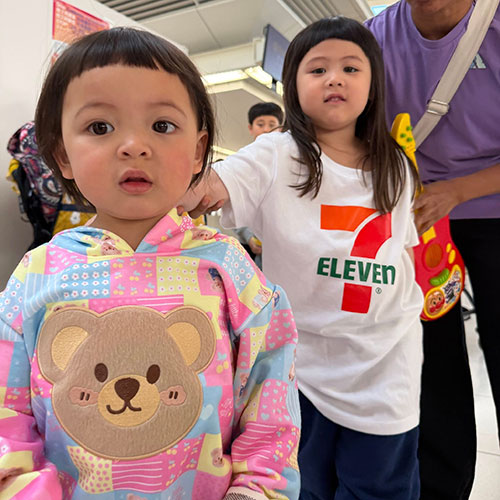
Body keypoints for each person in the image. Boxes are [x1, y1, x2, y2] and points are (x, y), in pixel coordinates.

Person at [0, 28, 300, 500]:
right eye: (100, 127)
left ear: (198, 151)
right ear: (62, 154)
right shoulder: (36, 275)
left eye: (162, 125)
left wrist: (255, 491)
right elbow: (7, 419)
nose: (134, 145)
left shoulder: (230, 270)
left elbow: (270, 405)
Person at [180, 16, 424, 500]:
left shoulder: (396, 164)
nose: (335, 78)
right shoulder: (275, 154)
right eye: (317, 69)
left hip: (387, 363)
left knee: (381, 488)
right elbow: (207, 189)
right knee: (300, 486)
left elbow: (404, 250)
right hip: (299, 367)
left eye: (351, 68)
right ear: (292, 85)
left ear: (373, 83)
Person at [365, 2, 500, 498]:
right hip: (416, 224)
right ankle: (441, 488)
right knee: (428, 361)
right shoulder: (373, 39)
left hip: (491, 209)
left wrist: (458, 191)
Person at [234, 102, 284, 267]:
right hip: (252, 249)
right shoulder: (243, 163)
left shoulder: (288, 163)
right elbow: (236, 206)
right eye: (260, 124)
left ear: (281, 128)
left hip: (283, 245)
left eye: (272, 125)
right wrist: (248, 236)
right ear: (250, 128)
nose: (266, 130)